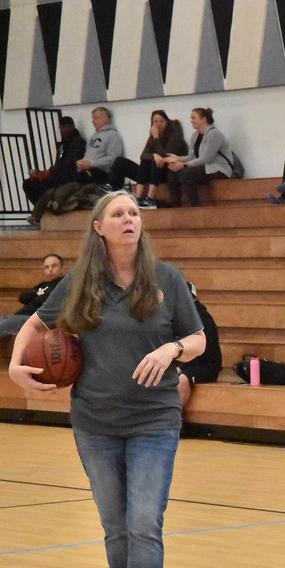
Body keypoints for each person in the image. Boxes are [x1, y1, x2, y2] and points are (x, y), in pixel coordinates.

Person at [6, 191, 205, 567]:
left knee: (144, 524)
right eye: (118, 214)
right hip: (96, 424)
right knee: (116, 527)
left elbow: (199, 340)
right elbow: (32, 325)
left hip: (154, 420)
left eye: (133, 212)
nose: (129, 218)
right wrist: (16, 366)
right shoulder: (80, 281)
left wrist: (171, 349)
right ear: (99, 227)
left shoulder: (167, 276)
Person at [108, 110, 188, 209]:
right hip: (149, 173)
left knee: (156, 160)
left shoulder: (175, 137)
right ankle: (128, 196)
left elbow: (165, 156)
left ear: (167, 122)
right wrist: (154, 154)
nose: (158, 124)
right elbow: (143, 155)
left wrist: (156, 138)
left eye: (161, 121)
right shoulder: (152, 138)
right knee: (120, 161)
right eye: (155, 121)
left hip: (165, 172)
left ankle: (150, 199)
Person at [165, 108, 233, 207]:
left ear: (203, 119)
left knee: (186, 174)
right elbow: (192, 156)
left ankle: (196, 206)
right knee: (172, 174)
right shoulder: (195, 136)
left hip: (218, 169)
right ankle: (176, 206)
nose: (191, 120)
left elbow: (206, 158)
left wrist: (183, 165)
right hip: (204, 168)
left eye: (194, 118)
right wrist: (178, 158)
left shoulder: (214, 134)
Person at [176, 282, 222, 407]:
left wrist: (181, 367)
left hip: (205, 365)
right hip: (184, 363)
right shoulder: (174, 317)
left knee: (182, 380)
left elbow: (202, 352)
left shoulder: (202, 318)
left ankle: (173, 420)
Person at [22, 116, 86, 205]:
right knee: (29, 183)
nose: (65, 130)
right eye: (63, 127)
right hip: (58, 175)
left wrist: (48, 173)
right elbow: (58, 164)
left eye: (68, 127)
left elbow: (70, 164)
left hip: (69, 176)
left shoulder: (78, 142)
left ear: (73, 127)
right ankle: (44, 207)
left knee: (34, 185)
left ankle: (44, 207)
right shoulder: (63, 144)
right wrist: (42, 173)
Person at [0, 254, 65, 338]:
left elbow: (46, 300)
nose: (50, 269)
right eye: (46, 267)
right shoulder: (43, 284)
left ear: (62, 267)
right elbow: (23, 298)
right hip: (19, 316)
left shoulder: (63, 284)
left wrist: (37, 296)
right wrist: (36, 294)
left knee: (4, 325)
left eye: (54, 266)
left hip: (36, 319)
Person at [75, 107, 125, 185]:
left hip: (102, 173)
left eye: (96, 118)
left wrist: (91, 164)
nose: (93, 121)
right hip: (88, 170)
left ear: (106, 119)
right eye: (92, 118)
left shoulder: (113, 136)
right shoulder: (94, 136)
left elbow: (113, 159)